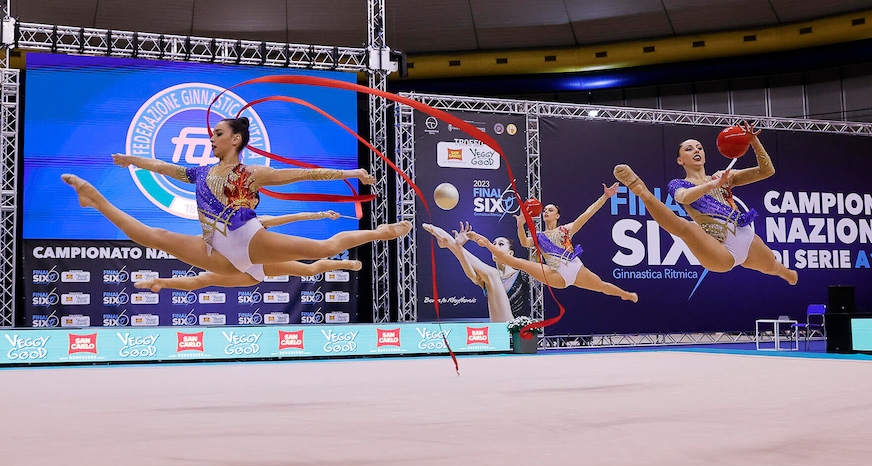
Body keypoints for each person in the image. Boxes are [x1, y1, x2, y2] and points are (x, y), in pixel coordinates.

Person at [62, 117, 411, 288]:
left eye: (218, 134)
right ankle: (95, 199)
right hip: (217, 249)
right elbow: (166, 168)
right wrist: (132, 160)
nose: (212, 138)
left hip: (248, 239)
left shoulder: (253, 173)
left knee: (324, 248)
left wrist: (353, 173)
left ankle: (381, 232)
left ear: (236, 139)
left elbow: (306, 175)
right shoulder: (200, 173)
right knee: (154, 237)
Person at [611, 122, 797, 284]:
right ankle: (642, 191)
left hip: (745, 235)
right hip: (718, 250)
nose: (696, 151)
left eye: (699, 147)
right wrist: (712, 184)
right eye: (689, 149)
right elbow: (683, 198)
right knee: (688, 229)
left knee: (772, 265)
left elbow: (767, 171)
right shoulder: (678, 184)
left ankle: (787, 274)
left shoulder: (724, 176)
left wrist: (754, 142)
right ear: (680, 160)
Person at [468, 184, 638, 302]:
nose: (546, 212)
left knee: (602, 286)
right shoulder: (540, 236)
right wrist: (520, 225)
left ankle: (625, 294)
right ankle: (486, 243)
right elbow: (525, 242)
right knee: (518, 262)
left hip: (575, 267)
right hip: (556, 274)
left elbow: (587, 214)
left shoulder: (566, 229)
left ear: (557, 215)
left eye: (550, 210)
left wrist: (605, 197)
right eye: (545, 210)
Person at [134, 210, 363, 292]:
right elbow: (198, 274)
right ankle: (162, 282)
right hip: (245, 271)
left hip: (258, 259)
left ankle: (345, 264)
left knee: (310, 269)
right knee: (203, 280)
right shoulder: (212, 232)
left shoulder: (253, 223)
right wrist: (164, 281)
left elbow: (288, 219)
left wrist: (321, 214)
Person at [422, 222, 530, 322]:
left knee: (492, 274)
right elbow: (471, 274)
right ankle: (452, 244)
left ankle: (449, 242)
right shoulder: (487, 278)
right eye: (494, 243)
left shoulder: (522, 274)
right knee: (490, 275)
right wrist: (458, 247)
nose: (495, 247)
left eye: (501, 244)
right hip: (497, 332)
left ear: (510, 253)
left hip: (517, 330)